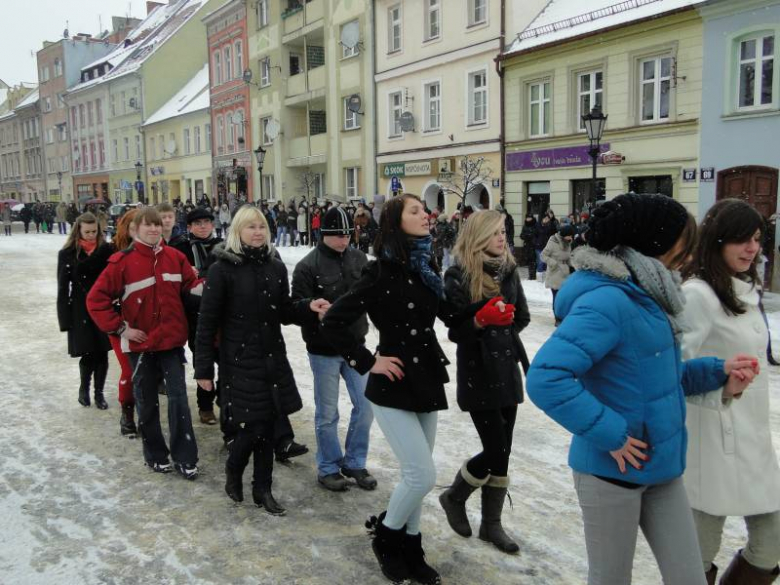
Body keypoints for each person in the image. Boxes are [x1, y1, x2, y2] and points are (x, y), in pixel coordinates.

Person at [526, 193, 759, 585]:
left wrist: (719, 371)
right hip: (611, 471)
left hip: (662, 470)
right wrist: (611, 433)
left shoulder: (651, 295)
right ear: (655, 244)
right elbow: (546, 378)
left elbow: (659, 380)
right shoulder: (607, 301)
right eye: (683, 243)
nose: (688, 254)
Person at [321, 194, 478, 585]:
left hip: (426, 378)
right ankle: (387, 539)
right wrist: (368, 361)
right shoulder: (379, 273)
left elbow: (450, 317)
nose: (425, 215)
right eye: (415, 211)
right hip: (391, 382)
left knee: (415, 474)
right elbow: (334, 322)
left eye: (424, 211)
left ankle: (412, 545)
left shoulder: (426, 266)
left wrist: (482, 314)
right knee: (421, 474)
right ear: (395, 222)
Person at [680, 199, 780, 585]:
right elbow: (671, 372)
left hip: (754, 442)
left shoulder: (745, 291)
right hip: (709, 443)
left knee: (771, 543)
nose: (752, 248)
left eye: (756, 238)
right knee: (696, 558)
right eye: (741, 239)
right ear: (717, 241)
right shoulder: (699, 295)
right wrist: (721, 382)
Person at [194, 206, 317, 514]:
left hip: (271, 356)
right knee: (253, 427)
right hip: (239, 359)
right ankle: (234, 468)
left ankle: (263, 489)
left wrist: (308, 307)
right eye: (250, 227)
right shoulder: (222, 269)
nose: (258, 232)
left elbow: (284, 311)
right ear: (237, 231)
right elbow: (207, 322)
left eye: (262, 226)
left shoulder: (275, 266)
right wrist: (203, 369)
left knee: (269, 424)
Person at [87, 208, 203, 480]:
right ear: (134, 230)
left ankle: (186, 458)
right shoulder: (121, 262)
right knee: (146, 402)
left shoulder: (176, 258)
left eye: (157, 225)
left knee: (178, 402)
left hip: (172, 343)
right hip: (140, 348)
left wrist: (207, 285)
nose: (154, 230)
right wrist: (121, 328)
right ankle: (155, 455)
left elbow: (191, 286)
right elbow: (96, 300)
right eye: (147, 226)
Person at [440, 210, 530, 554]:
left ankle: (491, 525)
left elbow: (521, 316)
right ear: (478, 236)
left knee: (503, 453)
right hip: (478, 373)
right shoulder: (458, 274)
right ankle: (454, 496)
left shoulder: (509, 271)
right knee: (494, 448)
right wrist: (481, 322)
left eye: (504, 231)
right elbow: (456, 330)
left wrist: (503, 327)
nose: (501, 238)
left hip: (507, 370)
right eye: (494, 233)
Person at [291, 207, 376, 492]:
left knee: (366, 406)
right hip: (323, 349)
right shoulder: (307, 266)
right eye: (338, 235)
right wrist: (311, 310)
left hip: (357, 345)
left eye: (348, 234)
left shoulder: (359, 258)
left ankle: (354, 461)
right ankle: (328, 466)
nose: (344, 240)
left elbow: (370, 296)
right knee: (327, 413)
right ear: (323, 235)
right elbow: (295, 307)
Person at [170, 208, 223, 425]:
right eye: (197, 223)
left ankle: (226, 399)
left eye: (207, 222)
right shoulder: (179, 248)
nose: (203, 226)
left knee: (227, 361)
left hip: (222, 314)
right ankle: (205, 406)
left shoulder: (224, 246)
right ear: (189, 227)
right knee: (204, 361)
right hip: (193, 314)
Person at [57, 212, 114, 409]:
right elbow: (63, 289)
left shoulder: (106, 251)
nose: (90, 235)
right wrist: (64, 319)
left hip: (103, 306)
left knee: (103, 351)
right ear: (78, 231)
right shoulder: (67, 254)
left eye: (94, 231)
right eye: (87, 231)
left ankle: (99, 394)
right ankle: (84, 389)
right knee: (87, 352)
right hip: (79, 309)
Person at [108, 209, 140, 437]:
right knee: (129, 370)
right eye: (135, 227)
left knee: (145, 371)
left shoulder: (157, 251)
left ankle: (147, 412)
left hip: (147, 321)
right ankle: (127, 412)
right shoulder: (111, 254)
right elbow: (97, 294)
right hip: (120, 324)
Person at [541, 223, 576, 324]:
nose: (571, 237)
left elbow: (568, 257)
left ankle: (563, 316)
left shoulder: (568, 242)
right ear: (565, 234)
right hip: (555, 273)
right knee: (557, 297)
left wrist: (574, 266)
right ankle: (558, 318)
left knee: (564, 297)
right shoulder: (553, 242)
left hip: (565, 273)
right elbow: (543, 255)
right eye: (570, 235)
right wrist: (553, 263)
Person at [520, 214, 538, 280]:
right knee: (529, 260)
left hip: (534, 245)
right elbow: (521, 235)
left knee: (533, 260)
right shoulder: (525, 226)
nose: (528, 219)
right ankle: (531, 275)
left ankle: (533, 275)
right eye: (527, 218)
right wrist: (526, 236)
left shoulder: (536, 225)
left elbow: (537, 234)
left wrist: (532, 237)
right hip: (527, 246)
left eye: (529, 218)